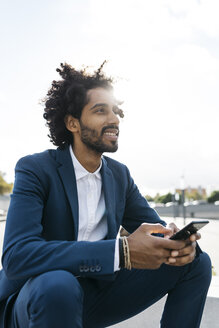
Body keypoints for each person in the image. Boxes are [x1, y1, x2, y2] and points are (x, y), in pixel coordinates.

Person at [0, 62, 211, 328]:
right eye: (100, 111)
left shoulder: (119, 176)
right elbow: (18, 256)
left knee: (196, 263)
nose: (113, 119)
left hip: (97, 296)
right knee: (59, 284)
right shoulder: (36, 169)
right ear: (72, 123)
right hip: (36, 300)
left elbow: (155, 231)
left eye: (115, 111)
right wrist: (120, 252)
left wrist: (177, 244)